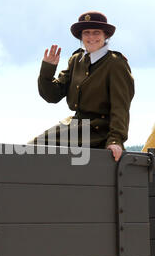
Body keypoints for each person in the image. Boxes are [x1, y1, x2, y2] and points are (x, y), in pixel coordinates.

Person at [35, 11, 134, 161]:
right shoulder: (76, 60)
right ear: (81, 36)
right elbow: (52, 96)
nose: (91, 37)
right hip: (77, 127)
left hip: (99, 130)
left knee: (42, 150)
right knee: (35, 147)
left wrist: (115, 140)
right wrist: (47, 70)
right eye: (86, 33)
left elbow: (120, 106)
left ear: (106, 35)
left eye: (96, 32)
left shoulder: (115, 63)